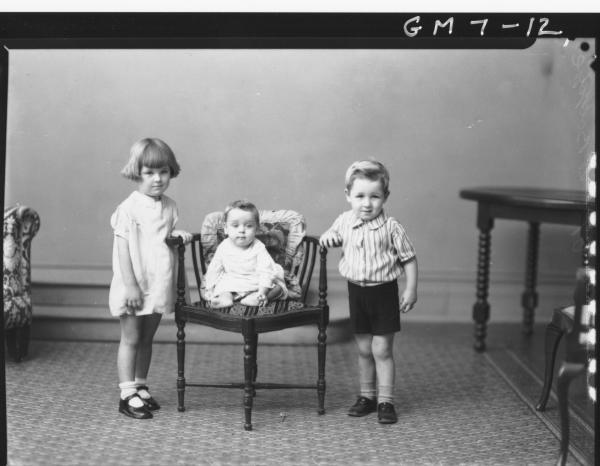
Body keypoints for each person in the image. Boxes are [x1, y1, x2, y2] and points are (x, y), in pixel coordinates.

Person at [319, 160, 418, 424]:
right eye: (360, 196)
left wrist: (410, 288)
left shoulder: (391, 227)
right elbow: (331, 235)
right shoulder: (344, 221)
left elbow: (408, 258)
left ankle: (386, 401)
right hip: (357, 293)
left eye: (374, 196)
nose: (366, 203)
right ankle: (367, 396)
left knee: (382, 349)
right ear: (348, 196)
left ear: (385, 196)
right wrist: (329, 236)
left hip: (383, 293)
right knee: (364, 349)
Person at [109, 138, 192, 419]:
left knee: (147, 338)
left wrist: (178, 235)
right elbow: (122, 251)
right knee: (131, 338)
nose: (158, 179)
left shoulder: (169, 206)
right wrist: (130, 285)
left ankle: (141, 386)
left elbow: (163, 240)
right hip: (135, 283)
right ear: (137, 173)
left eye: (164, 172)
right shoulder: (128, 209)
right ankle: (126, 393)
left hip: (158, 283)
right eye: (149, 173)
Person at [204, 200, 287, 308]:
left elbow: (266, 270)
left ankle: (258, 297)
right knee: (222, 286)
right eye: (235, 225)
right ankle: (225, 299)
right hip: (232, 281)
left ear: (256, 229)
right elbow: (214, 269)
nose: (242, 230)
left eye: (248, 226)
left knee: (277, 288)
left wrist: (262, 291)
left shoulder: (258, 247)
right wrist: (209, 288)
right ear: (226, 228)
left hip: (255, 281)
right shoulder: (224, 247)